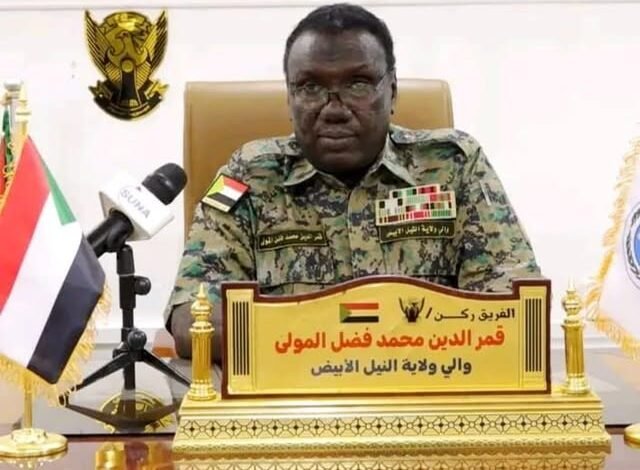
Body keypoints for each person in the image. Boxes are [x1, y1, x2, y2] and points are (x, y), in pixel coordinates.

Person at [164, 3, 541, 360]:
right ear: (289, 98)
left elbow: (515, 310)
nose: (334, 110)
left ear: (392, 91)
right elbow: (193, 323)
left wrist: (312, 331)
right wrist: (358, 334)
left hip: (427, 391)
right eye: (310, 87)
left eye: (358, 84)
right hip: (293, 400)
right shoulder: (247, 175)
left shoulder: (453, 164)